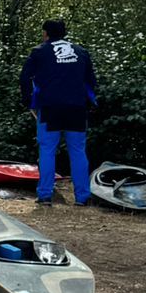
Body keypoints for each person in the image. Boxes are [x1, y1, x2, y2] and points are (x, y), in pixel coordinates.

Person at [18, 18, 99, 205]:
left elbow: (24, 77)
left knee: (47, 150)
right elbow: (91, 81)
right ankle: (82, 197)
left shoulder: (39, 51)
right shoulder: (81, 52)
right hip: (77, 108)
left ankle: (45, 195)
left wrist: (28, 101)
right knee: (78, 151)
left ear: (46, 33)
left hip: (50, 108)